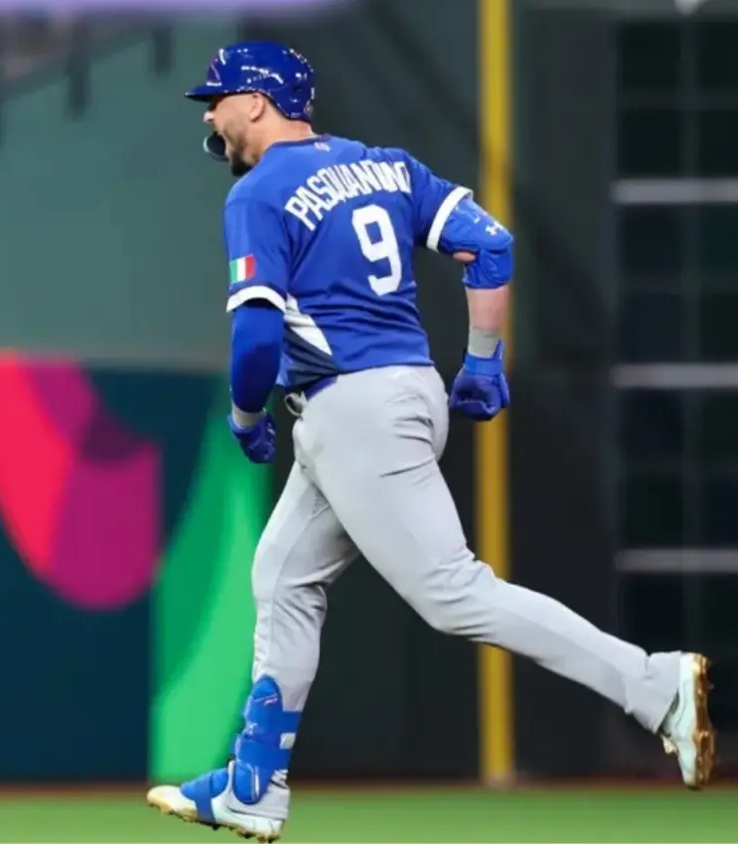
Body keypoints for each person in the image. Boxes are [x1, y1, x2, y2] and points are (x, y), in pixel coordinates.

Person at [143, 41, 714, 843]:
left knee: (455, 595)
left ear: (261, 102)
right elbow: (492, 247)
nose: (211, 113)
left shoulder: (260, 193)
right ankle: (253, 783)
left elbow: (256, 346)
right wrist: (482, 361)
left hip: (354, 409)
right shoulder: (388, 166)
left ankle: (653, 686)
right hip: (399, 391)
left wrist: (244, 416)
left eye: (221, 97)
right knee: (282, 577)